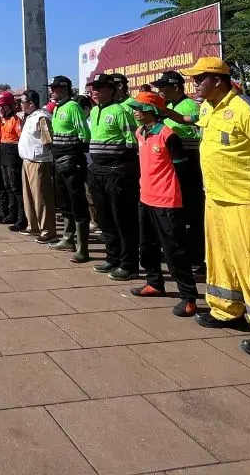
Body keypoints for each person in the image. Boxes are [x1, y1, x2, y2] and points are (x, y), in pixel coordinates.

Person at [180, 56, 250, 358]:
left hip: (249, 202)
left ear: (218, 80)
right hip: (216, 198)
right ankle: (225, 309)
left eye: (199, 79)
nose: (194, 84)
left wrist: (246, 178)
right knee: (220, 260)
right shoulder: (207, 108)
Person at [127, 91, 198, 317]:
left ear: (152, 111)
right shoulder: (140, 133)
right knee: (146, 245)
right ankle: (154, 282)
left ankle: (188, 297)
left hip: (167, 202)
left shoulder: (169, 135)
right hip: (145, 198)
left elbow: (183, 171)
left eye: (139, 108)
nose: (135, 112)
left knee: (174, 250)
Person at [86, 73, 140, 281]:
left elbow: (132, 142)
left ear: (112, 89)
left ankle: (129, 264)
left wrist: (121, 168)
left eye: (100, 88)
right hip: (97, 172)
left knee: (123, 219)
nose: (95, 92)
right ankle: (112, 257)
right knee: (105, 219)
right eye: (93, 88)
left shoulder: (119, 111)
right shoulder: (94, 112)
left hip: (116, 173)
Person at [153, 71, 206, 275]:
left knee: (192, 212)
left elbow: (195, 138)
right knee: (177, 213)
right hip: (173, 166)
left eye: (163, 87)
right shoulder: (168, 107)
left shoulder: (190, 106)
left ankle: (197, 257)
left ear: (176, 87)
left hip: (190, 164)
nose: (160, 90)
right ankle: (182, 253)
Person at [48, 76, 91, 263]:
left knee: (77, 201)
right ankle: (67, 238)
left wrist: (72, 153)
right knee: (63, 199)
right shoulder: (58, 107)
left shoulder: (73, 107)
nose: (52, 91)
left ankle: (82, 248)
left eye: (55, 88)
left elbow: (85, 134)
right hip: (58, 160)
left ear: (64, 89)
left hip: (72, 161)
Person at [18, 90, 57, 243]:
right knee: (29, 196)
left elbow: (48, 140)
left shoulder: (42, 117)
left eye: (22, 102)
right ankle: (33, 225)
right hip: (27, 160)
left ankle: (48, 230)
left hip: (39, 162)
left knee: (41, 197)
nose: (20, 105)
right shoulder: (30, 117)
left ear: (31, 103)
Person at [0, 91, 25, 231]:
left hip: (13, 155)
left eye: (1, 106)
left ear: (8, 106)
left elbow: (21, 137)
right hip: (4, 153)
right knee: (8, 186)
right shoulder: (4, 121)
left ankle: (21, 218)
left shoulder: (16, 120)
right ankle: (11, 214)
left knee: (16, 187)